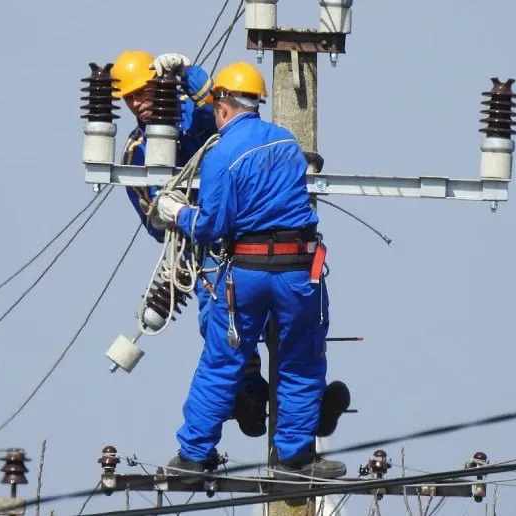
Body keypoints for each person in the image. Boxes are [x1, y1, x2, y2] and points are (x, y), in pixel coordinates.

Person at [151, 61, 348, 480]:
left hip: (246, 272)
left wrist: (178, 212)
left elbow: (213, 226)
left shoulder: (221, 154)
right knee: (300, 359)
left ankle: (193, 456)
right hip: (299, 270)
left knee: (223, 361)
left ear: (222, 106)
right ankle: (296, 457)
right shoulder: (286, 141)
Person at [111, 50, 270, 437]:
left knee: (275, 322)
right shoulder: (138, 151)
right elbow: (152, 214)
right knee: (223, 328)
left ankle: (286, 401)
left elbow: (228, 106)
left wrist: (189, 73)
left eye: (143, 92)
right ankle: (249, 396)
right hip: (204, 250)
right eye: (130, 98)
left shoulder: (197, 115)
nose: (138, 103)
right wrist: (182, 222)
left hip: (248, 234)